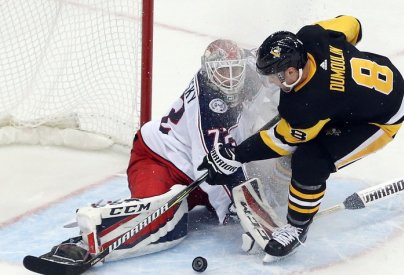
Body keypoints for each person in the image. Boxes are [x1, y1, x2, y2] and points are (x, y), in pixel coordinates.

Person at [40, 39, 277, 264]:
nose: (231, 78)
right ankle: (93, 233)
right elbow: (215, 165)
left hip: (197, 173)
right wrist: (242, 212)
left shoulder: (252, 66)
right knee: (164, 224)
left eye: (234, 69)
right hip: (160, 160)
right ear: (208, 71)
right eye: (222, 71)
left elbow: (276, 56)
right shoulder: (208, 105)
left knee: (267, 178)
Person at [198, 15, 404, 261]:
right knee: (299, 129)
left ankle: (297, 228)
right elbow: (353, 24)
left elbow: (281, 141)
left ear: (291, 71)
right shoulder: (311, 37)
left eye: (274, 77)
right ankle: (280, 187)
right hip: (381, 78)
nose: (270, 82)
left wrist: (235, 156)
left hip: (380, 119)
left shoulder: (309, 104)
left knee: (310, 160)